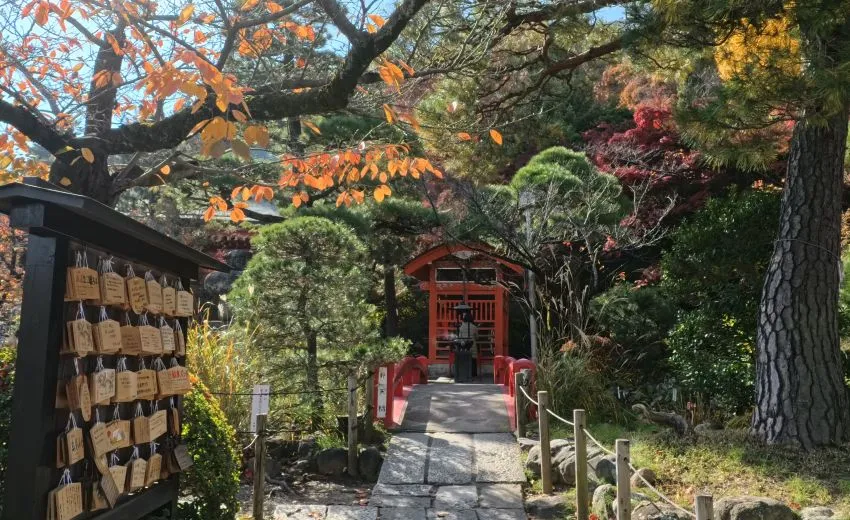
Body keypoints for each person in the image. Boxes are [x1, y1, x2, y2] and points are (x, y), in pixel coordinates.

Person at [456, 310, 479, 377]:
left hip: (464, 346)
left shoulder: (461, 327)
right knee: (473, 360)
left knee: (465, 359)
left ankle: (465, 373)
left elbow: (460, 337)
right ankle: (473, 374)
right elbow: (477, 337)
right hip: (472, 346)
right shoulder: (474, 327)